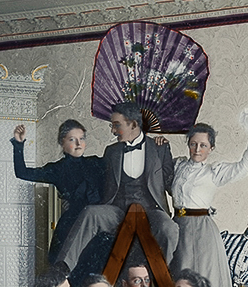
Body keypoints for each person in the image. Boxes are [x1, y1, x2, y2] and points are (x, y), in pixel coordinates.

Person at [54, 102, 179, 270]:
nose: (112, 131)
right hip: (118, 212)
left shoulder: (159, 148)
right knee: (91, 213)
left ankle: (161, 275)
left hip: (151, 212)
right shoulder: (111, 151)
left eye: (116, 125)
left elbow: (171, 183)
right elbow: (95, 178)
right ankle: (62, 269)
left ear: (133, 124)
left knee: (169, 228)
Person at [170, 109, 248, 287]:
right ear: (188, 144)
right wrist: (159, 146)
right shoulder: (178, 166)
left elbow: (244, 168)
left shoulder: (213, 172)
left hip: (202, 229)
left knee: (203, 277)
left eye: (203, 145)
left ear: (211, 148)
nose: (197, 149)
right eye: (193, 144)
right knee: (179, 277)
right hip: (178, 226)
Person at [11, 120, 111, 272]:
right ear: (62, 143)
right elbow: (22, 172)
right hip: (71, 225)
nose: (78, 143)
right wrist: (18, 144)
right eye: (72, 139)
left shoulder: (96, 163)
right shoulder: (57, 169)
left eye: (81, 138)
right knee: (66, 270)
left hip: (96, 226)